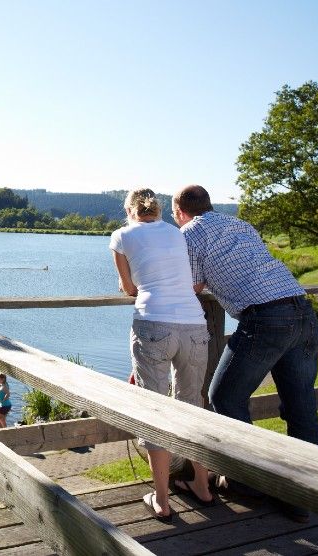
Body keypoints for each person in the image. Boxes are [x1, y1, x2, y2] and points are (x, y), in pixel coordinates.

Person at [172, 184, 318, 522]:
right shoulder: (241, 225)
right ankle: (305, 499)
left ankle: (248, 480)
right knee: (301, 406)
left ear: (180, 212)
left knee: (224, 395)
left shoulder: (190, 233)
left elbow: (192, 286)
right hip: (302, 312)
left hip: (265, 319)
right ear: (208, 204)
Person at [110, 188, 214, 522]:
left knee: (155, 410)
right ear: (157, 209)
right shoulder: (176, 232)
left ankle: (162, 500)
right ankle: (202, 485)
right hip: (195, 325)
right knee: (192, 407)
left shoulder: (122, 236)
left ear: (129, 210)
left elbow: (129, 288)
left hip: (154, 324)